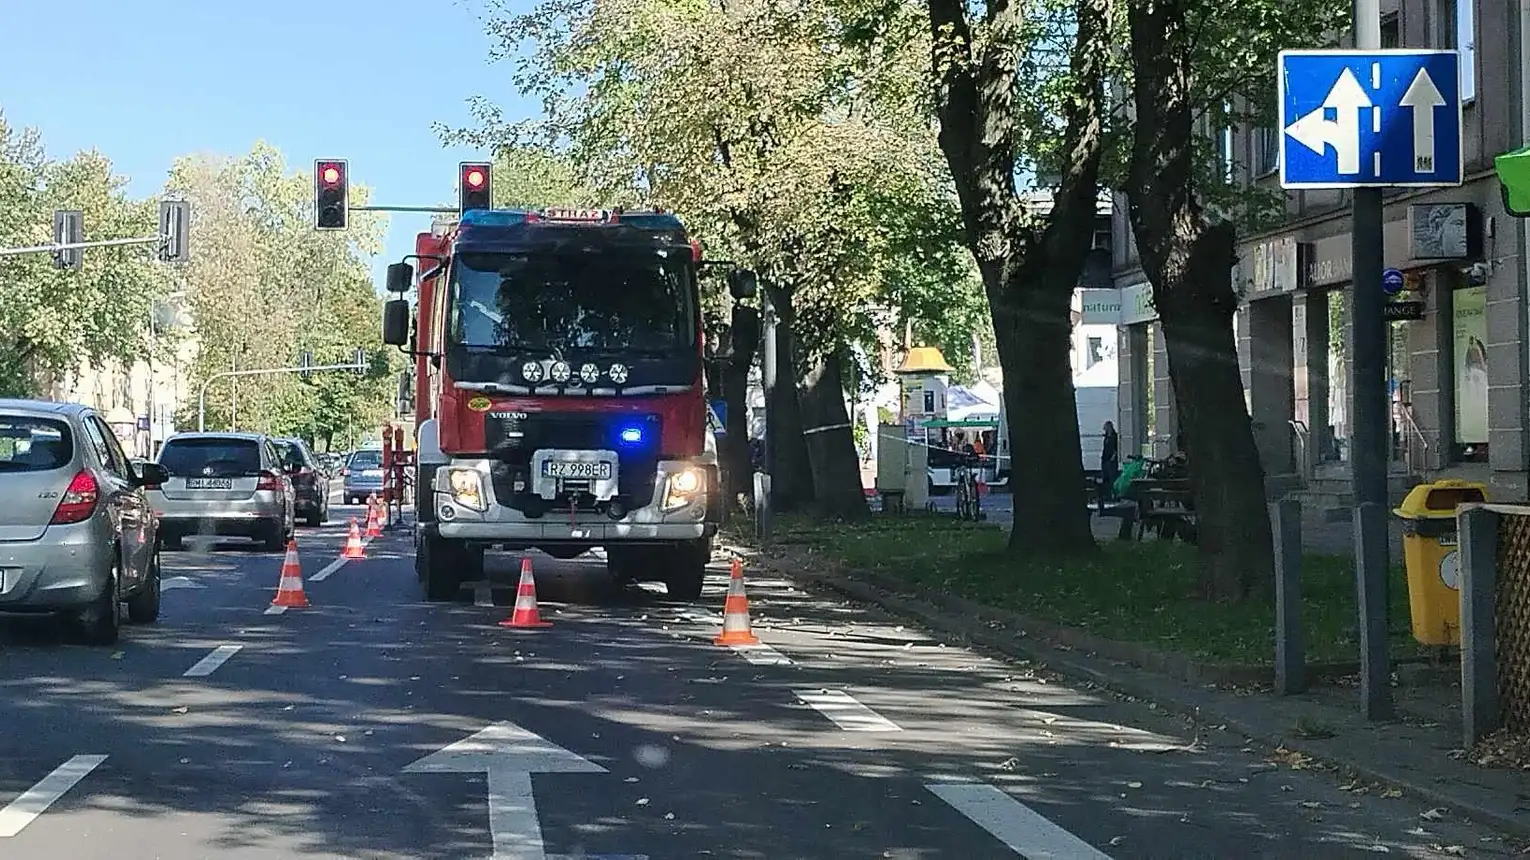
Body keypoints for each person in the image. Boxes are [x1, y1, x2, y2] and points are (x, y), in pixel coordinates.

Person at [1099, 420, 1120, 512]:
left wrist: (1113, 457)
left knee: (1112, 478)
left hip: (1110, 460)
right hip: (1105, 459)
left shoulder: (1114, 437)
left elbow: (1115, 448)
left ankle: (1114, 495)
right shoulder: (1107, 437)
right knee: (1105, 478)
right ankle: (1107, 495)